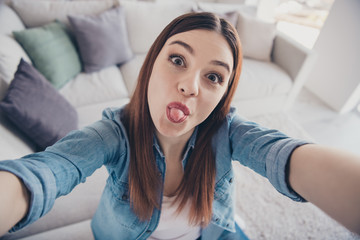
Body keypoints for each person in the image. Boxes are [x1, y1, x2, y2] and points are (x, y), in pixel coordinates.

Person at [0, 12, 359, 240]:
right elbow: (50, 170)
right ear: (151, 64)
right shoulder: (114, 133)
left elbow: (286, 155)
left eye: (214, 77)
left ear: (224, 94)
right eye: (177, 59)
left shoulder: (229, 131)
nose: (190, 86)